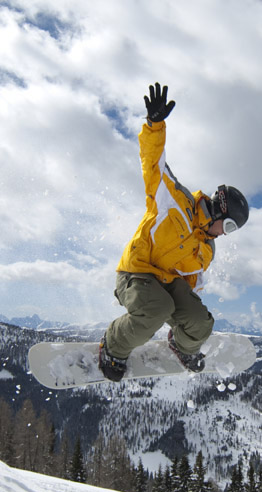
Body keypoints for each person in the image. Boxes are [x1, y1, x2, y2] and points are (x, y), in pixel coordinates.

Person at [99, 83, 249, 382]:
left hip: (168, 285)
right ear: (220, 210)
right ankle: (113, 347)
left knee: (200, 322)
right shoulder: (175, 201)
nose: (225, 234)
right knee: (157, 309)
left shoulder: (207, 249)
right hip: (136, 273)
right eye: (229, 226)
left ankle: (182, 347)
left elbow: (191, 286)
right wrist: (155, 125)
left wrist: (188, 323)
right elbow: (153, 163)